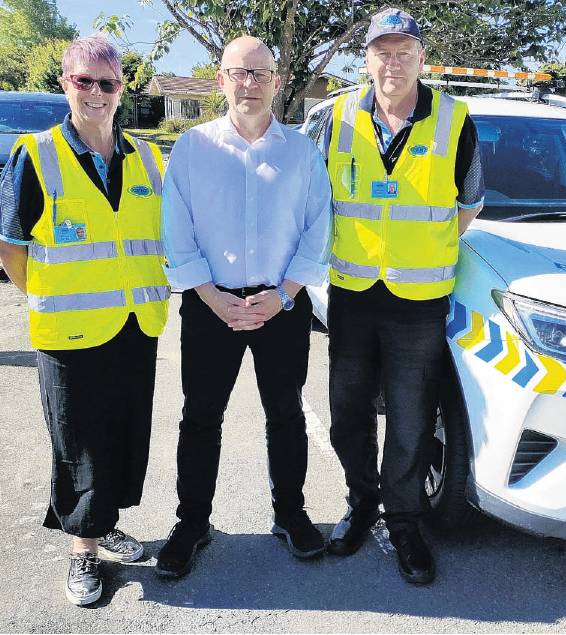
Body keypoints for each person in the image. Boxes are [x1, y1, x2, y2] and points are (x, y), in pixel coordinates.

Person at [0, 36, 168, 606]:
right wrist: (45, 294)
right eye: (83, 81)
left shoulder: (148, 158)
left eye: (107, 83)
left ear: (121, 89)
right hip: (69, 333)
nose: (96, 93)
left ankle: (102, 523)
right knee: (78, 441)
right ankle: (82, 552)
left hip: (133, 324)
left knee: (123, 435)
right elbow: (11, 247)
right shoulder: (38, 153)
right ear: (65, 84)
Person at [155, 35, 332, 578]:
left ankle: (290, 514)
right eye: (239, 72)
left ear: (277, 82)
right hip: (211, 306)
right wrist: (210, 296)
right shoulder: (192, 148)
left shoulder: (301, 151)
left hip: (283, 304)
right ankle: (192, 524)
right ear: (220, 79)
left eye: (260, 73)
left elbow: (318, 230)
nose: (249, 83)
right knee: (201, 418)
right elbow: (176, 232)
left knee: (286, 415)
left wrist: (282, 298)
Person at [323, 8, 484, 584]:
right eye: (381, 52)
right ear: (366, 58)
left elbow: (468, 205)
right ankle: (362, 500)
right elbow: (319, 196)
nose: (392, 62)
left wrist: (418, 250)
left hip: (418, 300)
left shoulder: (454, 119)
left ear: (421, 56)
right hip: (352, 293)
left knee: (413, 420)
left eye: (403, 51)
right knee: (347, 413)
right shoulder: (339, 116)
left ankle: (405, 520)